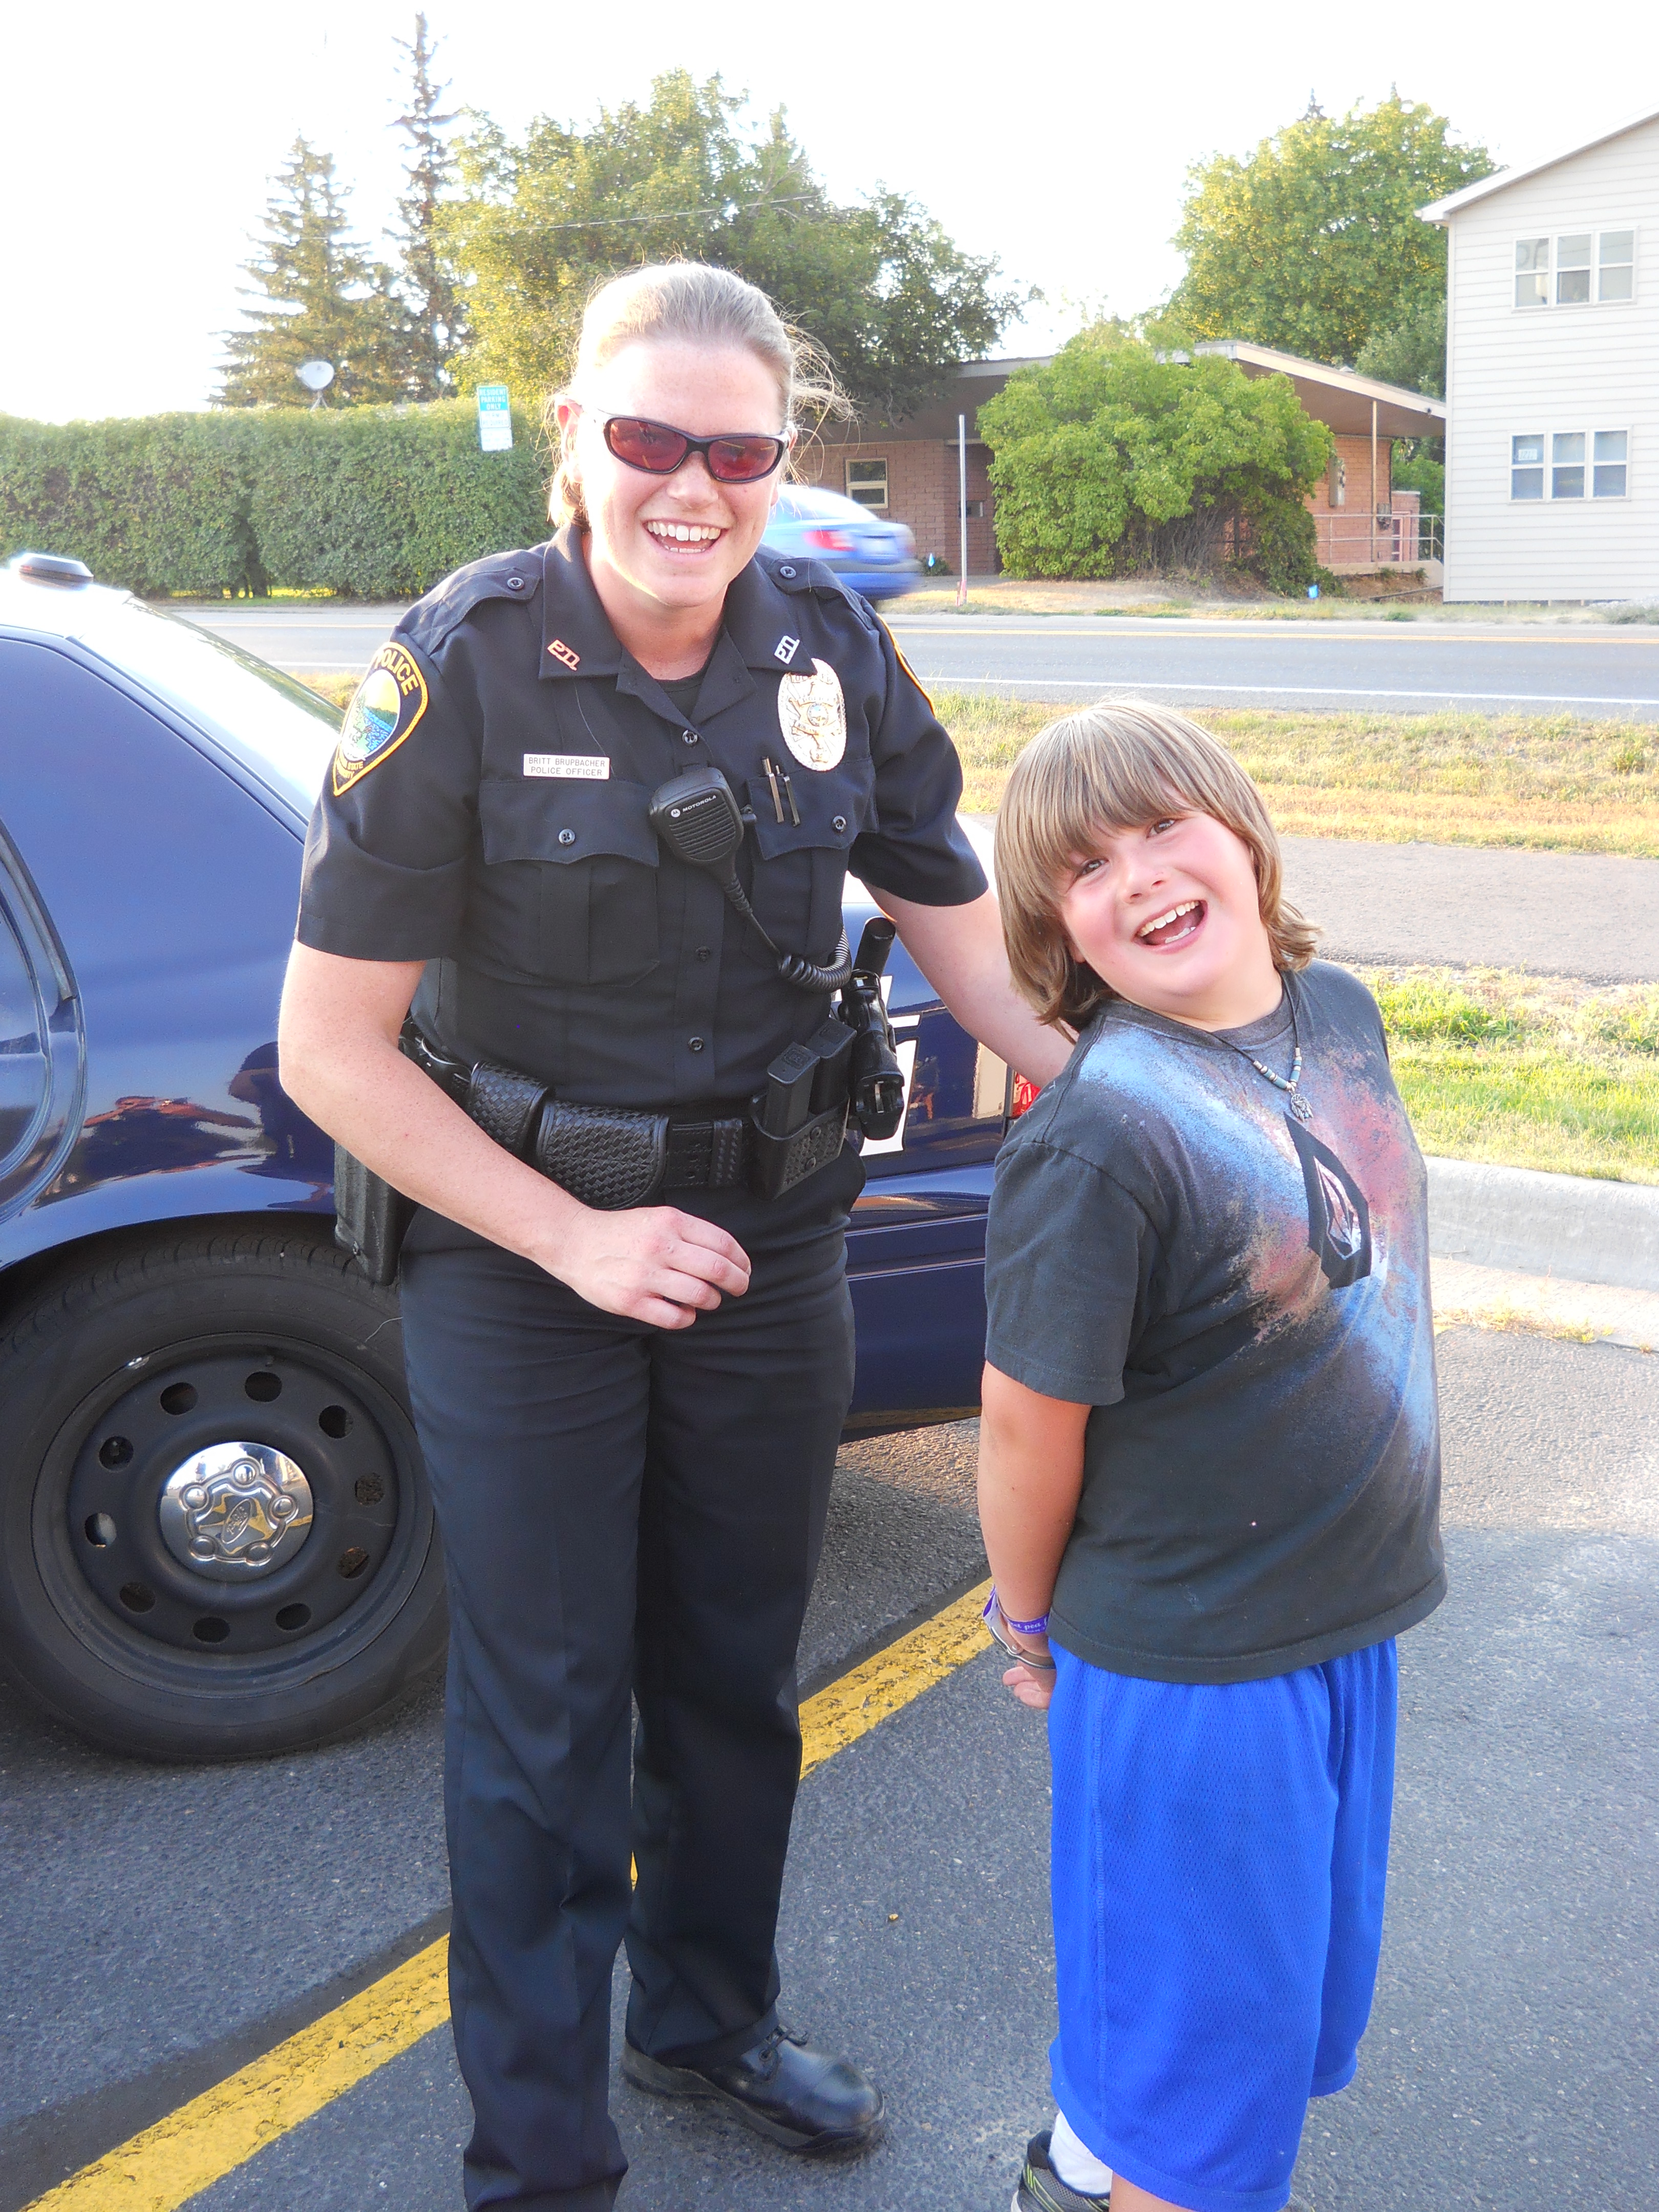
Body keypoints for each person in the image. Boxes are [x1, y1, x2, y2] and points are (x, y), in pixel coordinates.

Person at [278, 261, 1068, 2212]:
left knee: (731, 1674)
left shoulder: (822, 642)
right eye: (649, 439)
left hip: (771, 1236)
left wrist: (1070, 1066)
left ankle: (707, 2019)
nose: (692, 486)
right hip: (522, 1259)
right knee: (548, 1710)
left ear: (779, 456)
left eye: (737, 446)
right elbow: (332, 1054)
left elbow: (935, 873)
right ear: (574, 440)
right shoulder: (459, 661)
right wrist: (574, 1242)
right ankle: (539, 2159)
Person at [974, 702, 1444, 2212]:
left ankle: (1086, 2168)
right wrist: (1027, 1621)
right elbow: (1025, 1421)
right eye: (1086, 870)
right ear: (1062, 936)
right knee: (1203, 2110)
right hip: (1191, 1670)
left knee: (1257, 2029)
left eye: (1164, 827)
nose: (1143, 877)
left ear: (1240, 833)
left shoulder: (1340, 1016)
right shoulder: (1099, 1137)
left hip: (1336, 1625)